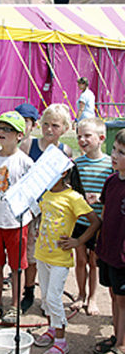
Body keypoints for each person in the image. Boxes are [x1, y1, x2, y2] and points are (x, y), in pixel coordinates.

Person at [32, 165, 100, 354]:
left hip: (60, 259)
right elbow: (44, 216)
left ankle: (62, 343)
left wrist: (78, 241)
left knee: (54, 298)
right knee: (45, 298)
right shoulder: (45, 194)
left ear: (63, 173)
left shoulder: (74, 197)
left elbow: (95, 222)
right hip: (42, 254)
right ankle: (52, 329)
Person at [19, 103, 74, 313]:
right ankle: (29, 291)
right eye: (46, 124)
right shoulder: (28, 145)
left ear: (65, 129)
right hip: (31, 208)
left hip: (52, 212)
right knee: (31, 254)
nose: (49, 129)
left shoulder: (65, 151)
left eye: (55, 126)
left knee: (50, 253)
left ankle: (48, 299)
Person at [0, 111, 33, 324]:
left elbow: (33, 193)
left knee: (17, 266)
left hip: (16, 223)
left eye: (8, 129)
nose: (2, 133)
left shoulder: (25, 162)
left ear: (19, 135)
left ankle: (14, 306)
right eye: (0, 128)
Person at [92, 129, 125, 354]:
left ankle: (122, 349)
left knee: (124, 302)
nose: (114, 155)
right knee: (114, 296)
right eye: (114, 149)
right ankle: (118, 336)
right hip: (109, 251)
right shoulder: (112, 181)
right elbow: (105, 212)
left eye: (122, 153)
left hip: (124, 256)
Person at [73, 117, 112, 316]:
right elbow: (72, 192)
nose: (82, 139)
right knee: (80, 260)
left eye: (87, 135)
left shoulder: (110, 165)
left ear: (101, 138)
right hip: (79, 222)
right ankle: (80, 294)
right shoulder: (76, 164)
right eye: (79, 135)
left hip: (99, 223)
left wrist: (100, 198)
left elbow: (112, 195)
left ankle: (93, 298)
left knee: (94, 261)